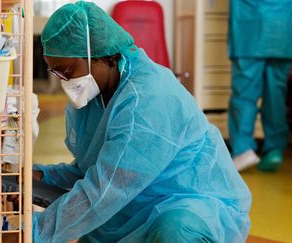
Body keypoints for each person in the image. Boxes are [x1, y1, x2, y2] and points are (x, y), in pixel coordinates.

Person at [32, 2, 251, 242]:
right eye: (56, 73)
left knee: (176, 232)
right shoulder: (96, 98)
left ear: (99, 55)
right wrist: (45, 176)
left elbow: (107, 186)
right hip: (134, 204)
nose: (65, 81)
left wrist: (36, 231)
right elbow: (99, 168)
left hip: (185, 204)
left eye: (68, 71)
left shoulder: (146, 99)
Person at [228, 0, 292, 172]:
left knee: (244, 94)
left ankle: (243, 150)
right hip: (282, 30)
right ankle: (275, 149)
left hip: (249, 30)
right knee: (276, 94)